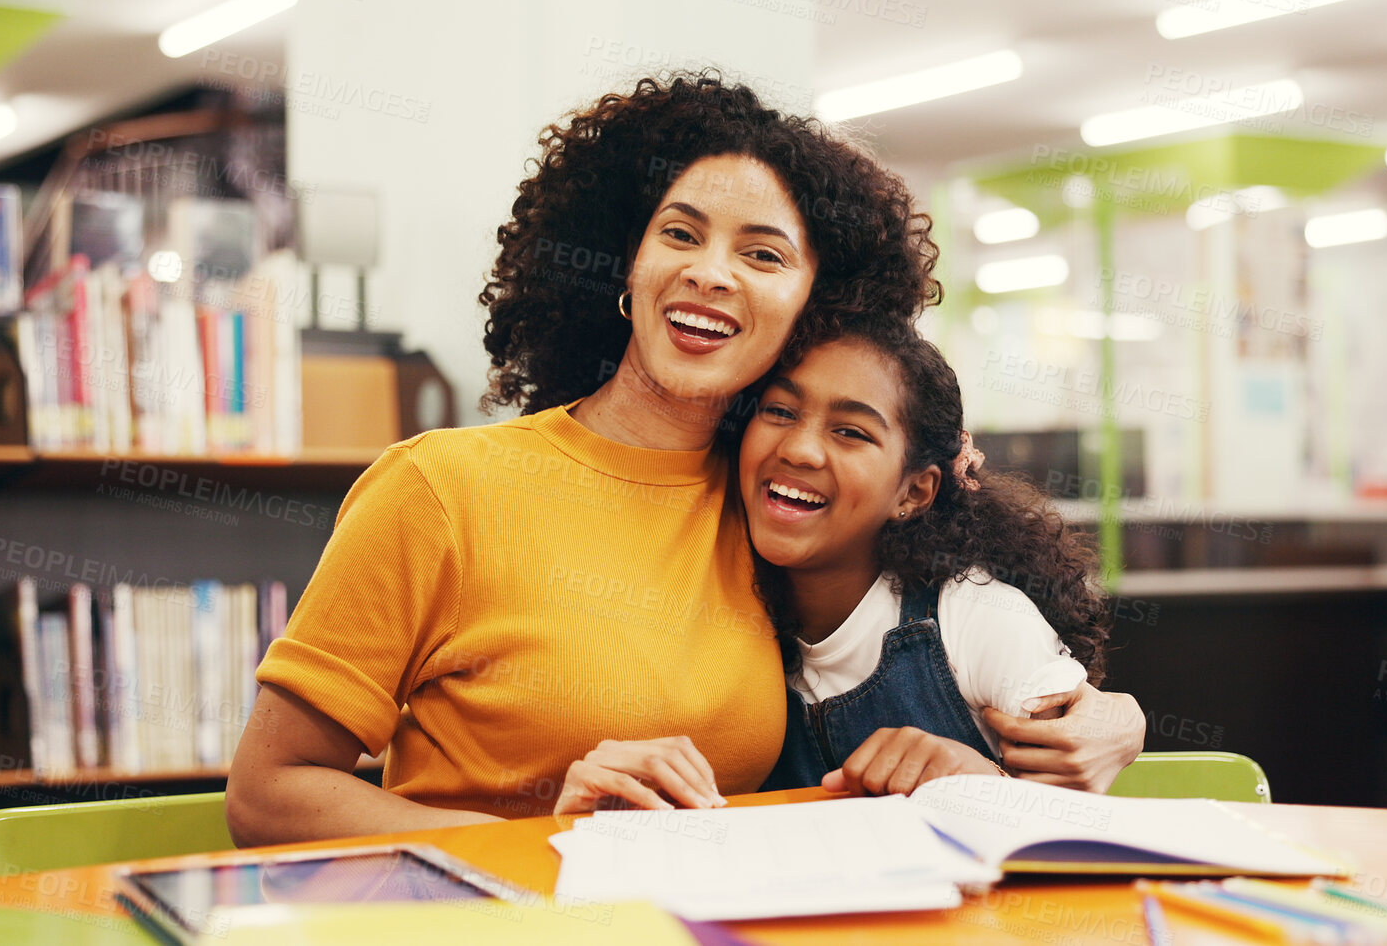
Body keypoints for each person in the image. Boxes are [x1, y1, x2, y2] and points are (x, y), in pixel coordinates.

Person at [228, 74, 1141, 845]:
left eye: (762, 253)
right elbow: (268, 790)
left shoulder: (775, 507)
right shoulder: (439, 488)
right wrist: (547, 835)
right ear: (622, 266)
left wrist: (1113, 719)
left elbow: (957, 619)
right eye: (679, 232)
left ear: (810, 310)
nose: (711, 271)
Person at [738, 318, 1118, 797]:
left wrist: (979, 779)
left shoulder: (976, 617)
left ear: (915, 490)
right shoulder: (722, 597)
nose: (798, 449)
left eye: (851, 432)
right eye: (780, 411)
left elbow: (1077, 817)